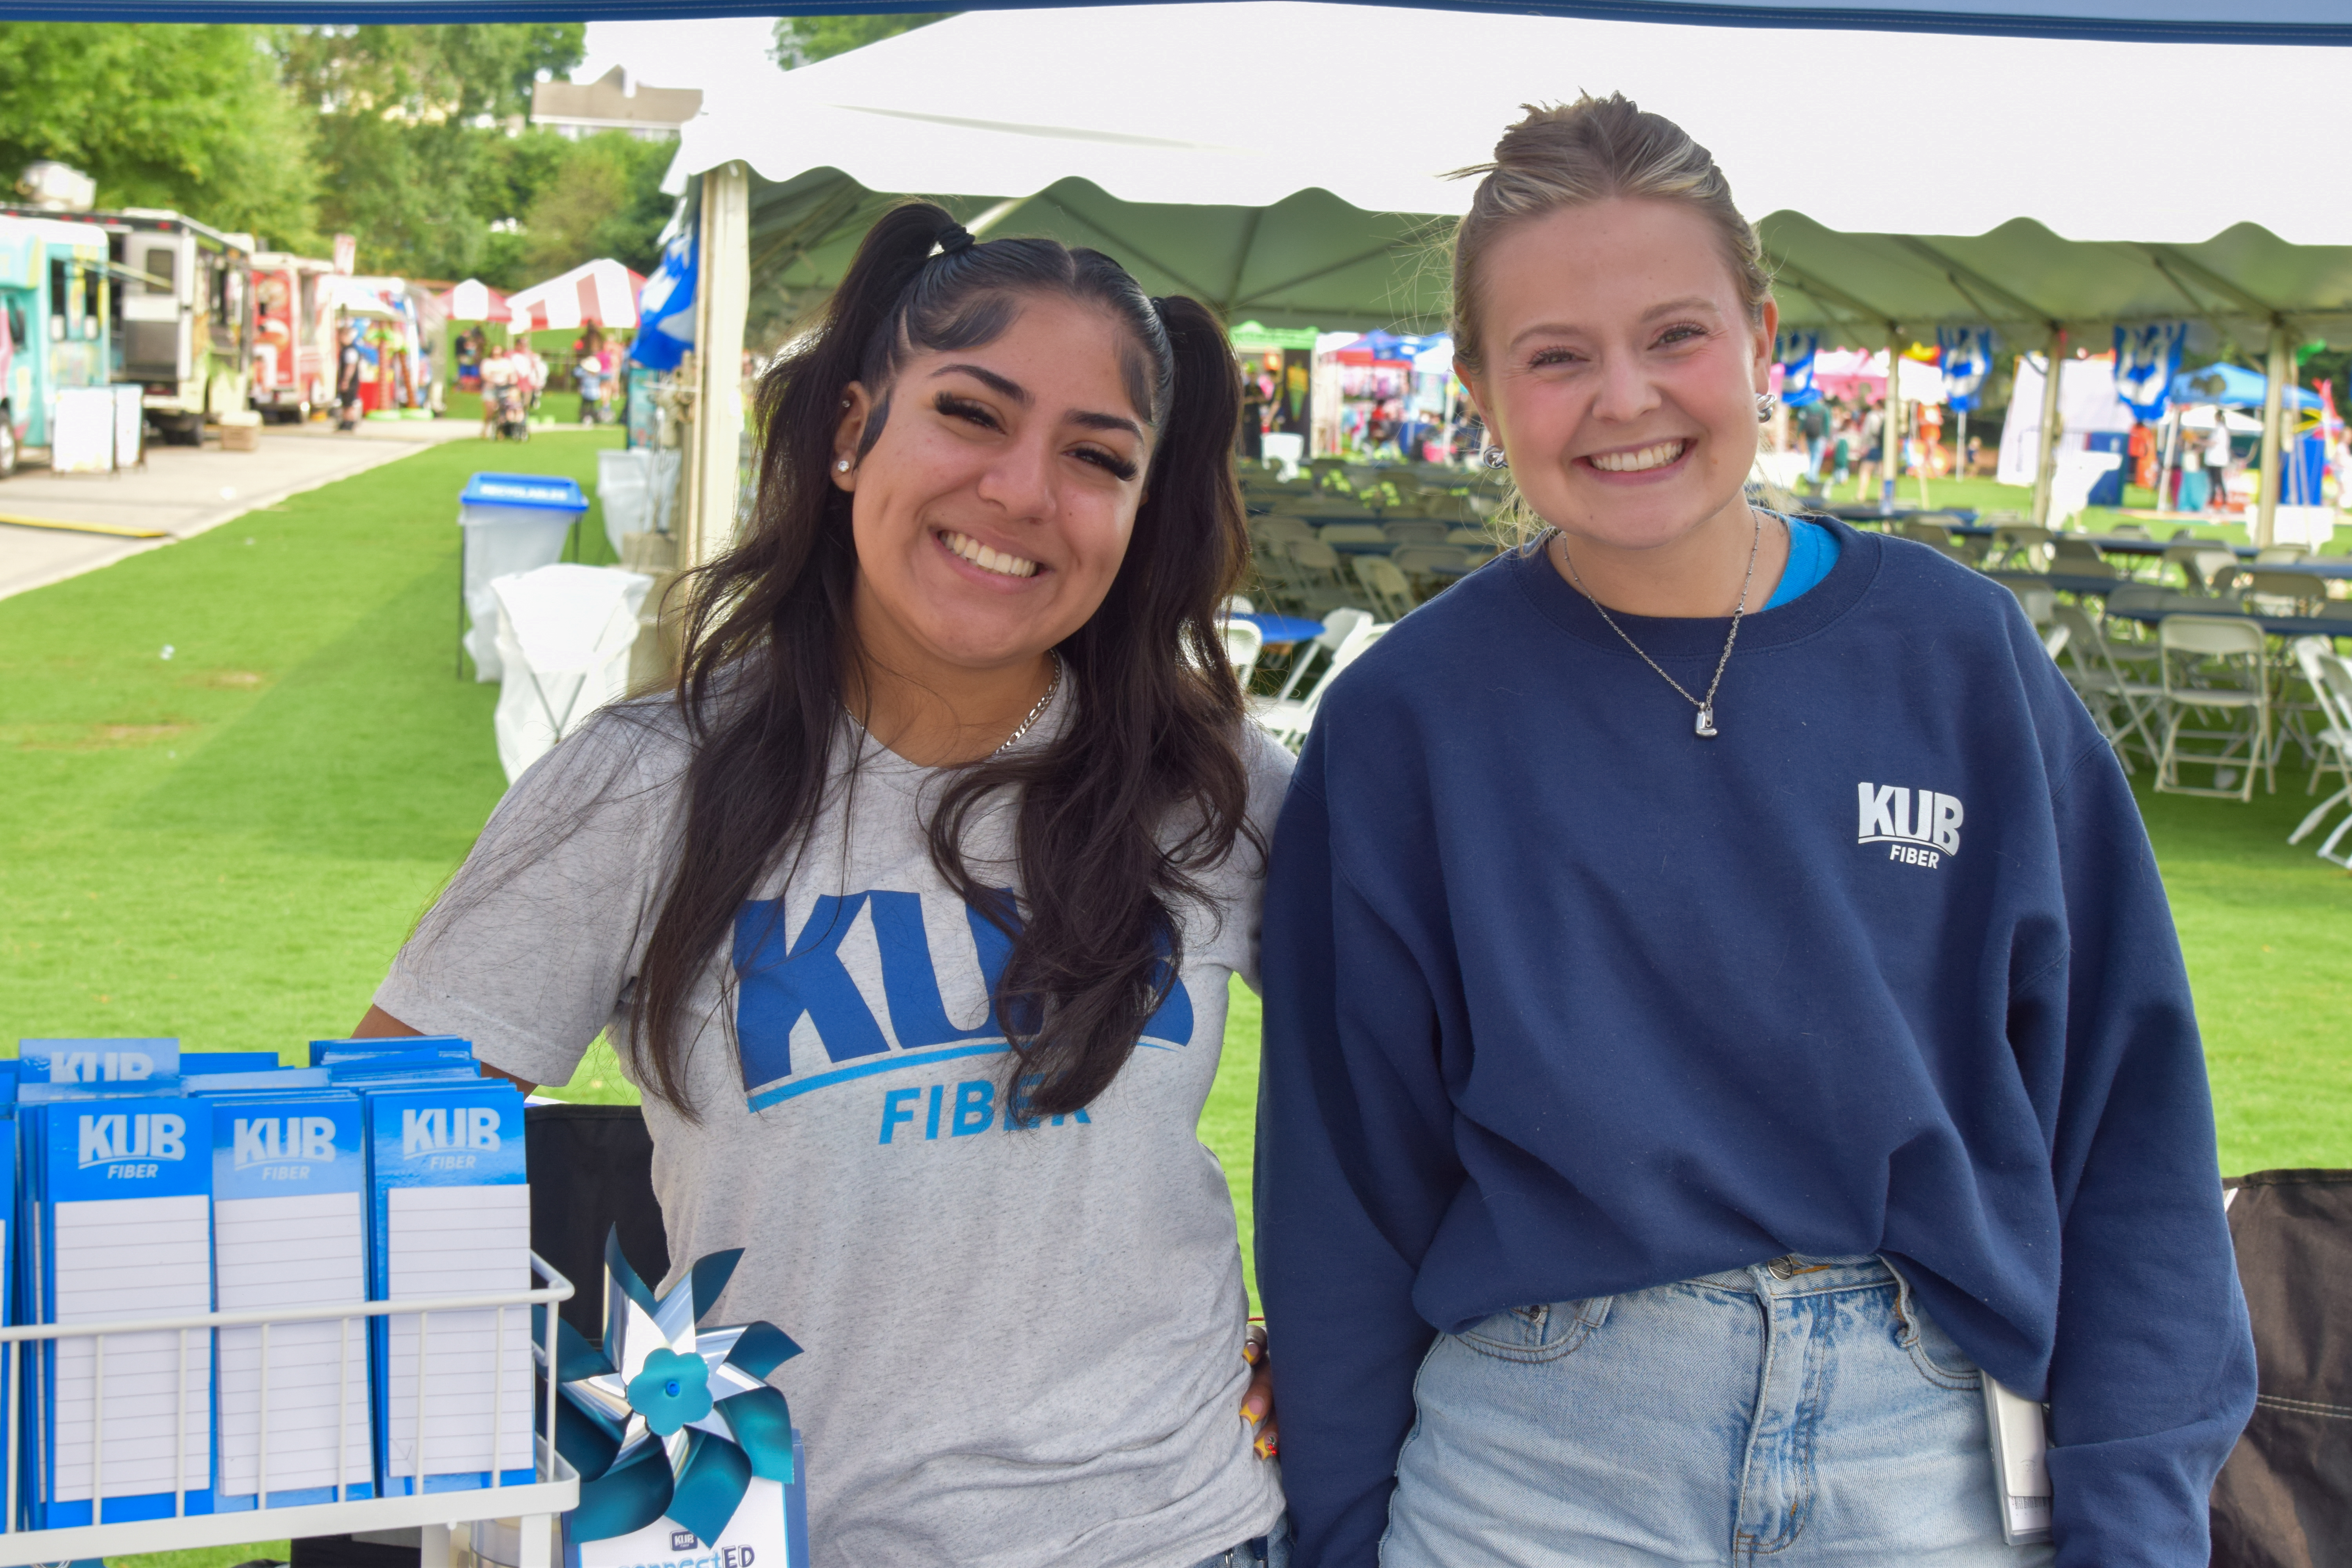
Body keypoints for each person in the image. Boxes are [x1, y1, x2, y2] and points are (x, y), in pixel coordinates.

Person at [1256, 93, 2254, 1568]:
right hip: (1537, 1466)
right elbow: (1342, 1185)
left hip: (1923, 1458)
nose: (1624, 398)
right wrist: (1347, 1533)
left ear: (1760, 339)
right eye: (1554, 356)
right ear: (1476, 387)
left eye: (1674, 334)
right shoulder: (1405, 717)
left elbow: (2128, 1118)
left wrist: (2135, 1516)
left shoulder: (1958, 658)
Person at [350, 203, 1290, 1568]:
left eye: (1096, 456)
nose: (1022, 490)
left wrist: (1336, 1342)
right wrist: (556, 1466)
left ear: (1140, 511)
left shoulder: (1214, 783)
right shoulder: (646, 780)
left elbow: (1427, 1085)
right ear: (852, 433)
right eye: (971, 414)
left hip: (1180, 1533)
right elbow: (381, 1159)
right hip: (779, 1540)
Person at [333, 321, 364, 432]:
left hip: (351, 382)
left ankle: (350, 422)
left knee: (349, 403)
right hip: (350, 381)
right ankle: (346, 421)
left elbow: (350, 367)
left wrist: (346, 381)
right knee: (346, 403)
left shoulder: (350, 350)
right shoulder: (348, 349)